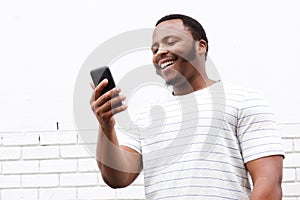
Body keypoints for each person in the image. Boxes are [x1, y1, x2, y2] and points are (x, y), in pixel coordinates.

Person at [90, 14, 284, 199]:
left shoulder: (244, 100)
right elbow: (118, 177)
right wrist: (106, 125)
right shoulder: (146, 115)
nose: (160, 52)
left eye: (171, 42)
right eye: (154, 49)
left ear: (201, 46)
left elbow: (268, 183)